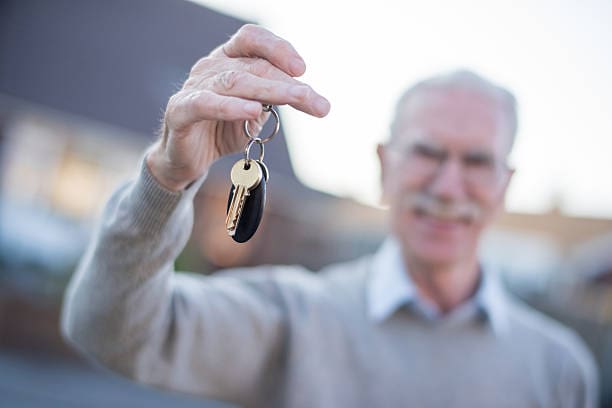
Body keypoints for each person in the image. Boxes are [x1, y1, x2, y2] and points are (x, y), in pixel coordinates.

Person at [61, 25, 598, 407]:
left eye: (477, 161)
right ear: (385, 167)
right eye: (428, 153)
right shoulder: (291, 319)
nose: (448, 185)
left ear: (505, 185)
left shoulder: (561, 371)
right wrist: (168, 178)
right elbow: (104, 331)